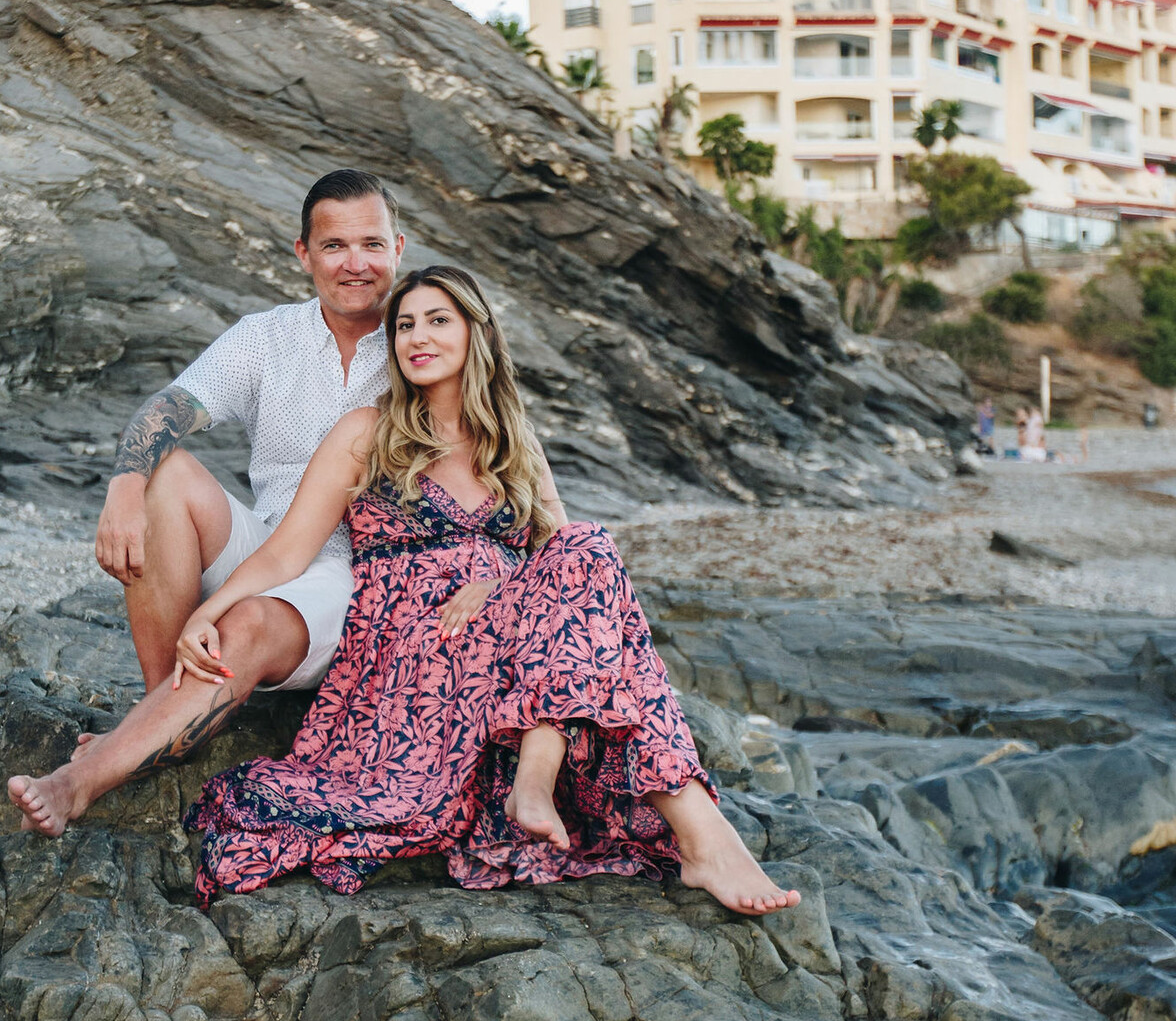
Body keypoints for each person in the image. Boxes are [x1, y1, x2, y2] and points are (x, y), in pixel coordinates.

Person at [182, 264, 800, 916]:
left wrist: (501, 584)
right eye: (405, 325)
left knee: (588, 544)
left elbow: (569, 562)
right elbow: (285, 550)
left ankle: (546, 778)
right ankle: (697, 832)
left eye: (437, 320)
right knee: (590, 555)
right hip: (418, 640)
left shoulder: (513, 441)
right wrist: (212, 609)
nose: (417, 336)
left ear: (476, 333)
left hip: (510, 643)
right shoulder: (368, 432)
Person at [8, 168, 403, 834]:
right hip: (272, 540)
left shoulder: (423, 338)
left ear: (400, 248)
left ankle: (81, 781)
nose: (355, 263)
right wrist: (124, 486)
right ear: (303, 254)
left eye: (371, 243)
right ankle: (165, 714)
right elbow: (172, 406)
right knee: (167, 476)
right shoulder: (268, 337)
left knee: (247, 620)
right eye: (335, 246)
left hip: (359, 577)